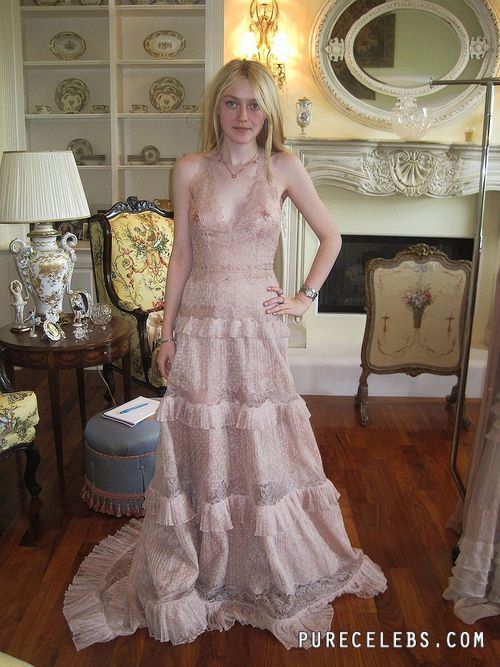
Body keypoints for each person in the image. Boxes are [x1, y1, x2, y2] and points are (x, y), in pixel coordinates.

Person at [64, 59, 386, 651]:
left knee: (260, 443)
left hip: (258, 329)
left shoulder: (284, 166)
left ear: (269, 112)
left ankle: (260, 558)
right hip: (202, 326)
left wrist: (303, 298)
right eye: (232, 103)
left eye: (254, 104)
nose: (243, 115)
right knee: (203, 441)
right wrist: (166, 334)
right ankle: (207, 559)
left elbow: (332, 236)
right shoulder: (189, 168)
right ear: (216, 107)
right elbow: (182, 257)